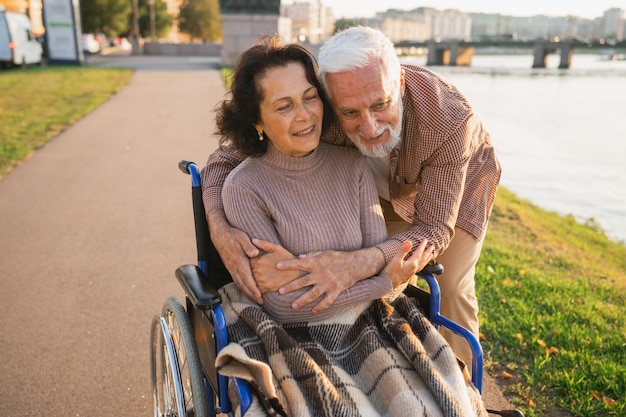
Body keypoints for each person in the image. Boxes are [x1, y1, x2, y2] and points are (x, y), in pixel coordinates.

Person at [209, 35, 487, 417]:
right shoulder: (317, 110)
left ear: (399, 84)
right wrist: (218, 226)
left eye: (380, 104)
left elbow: (433, 229)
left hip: (443, 196)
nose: (370, 126)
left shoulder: (450, 120)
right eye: (350, 112)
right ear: (331, 95)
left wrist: (363, 268)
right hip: (367, 190)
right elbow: (224, 159)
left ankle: (466, 393)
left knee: (450, 288)